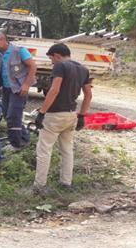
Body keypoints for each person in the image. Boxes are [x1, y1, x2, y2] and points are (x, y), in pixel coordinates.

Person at [33, 43, 92, 191]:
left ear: (57, 55)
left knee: (44, 150)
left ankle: (39, 186)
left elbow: (54, 90)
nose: (52, 62)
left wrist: (41, 113)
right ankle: (66, 183)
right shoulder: (84, 69)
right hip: (71, 114)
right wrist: (82, 116)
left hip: (54, 115)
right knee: (67, 150)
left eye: (51, 59)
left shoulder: (60, 66)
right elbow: (88, 95)